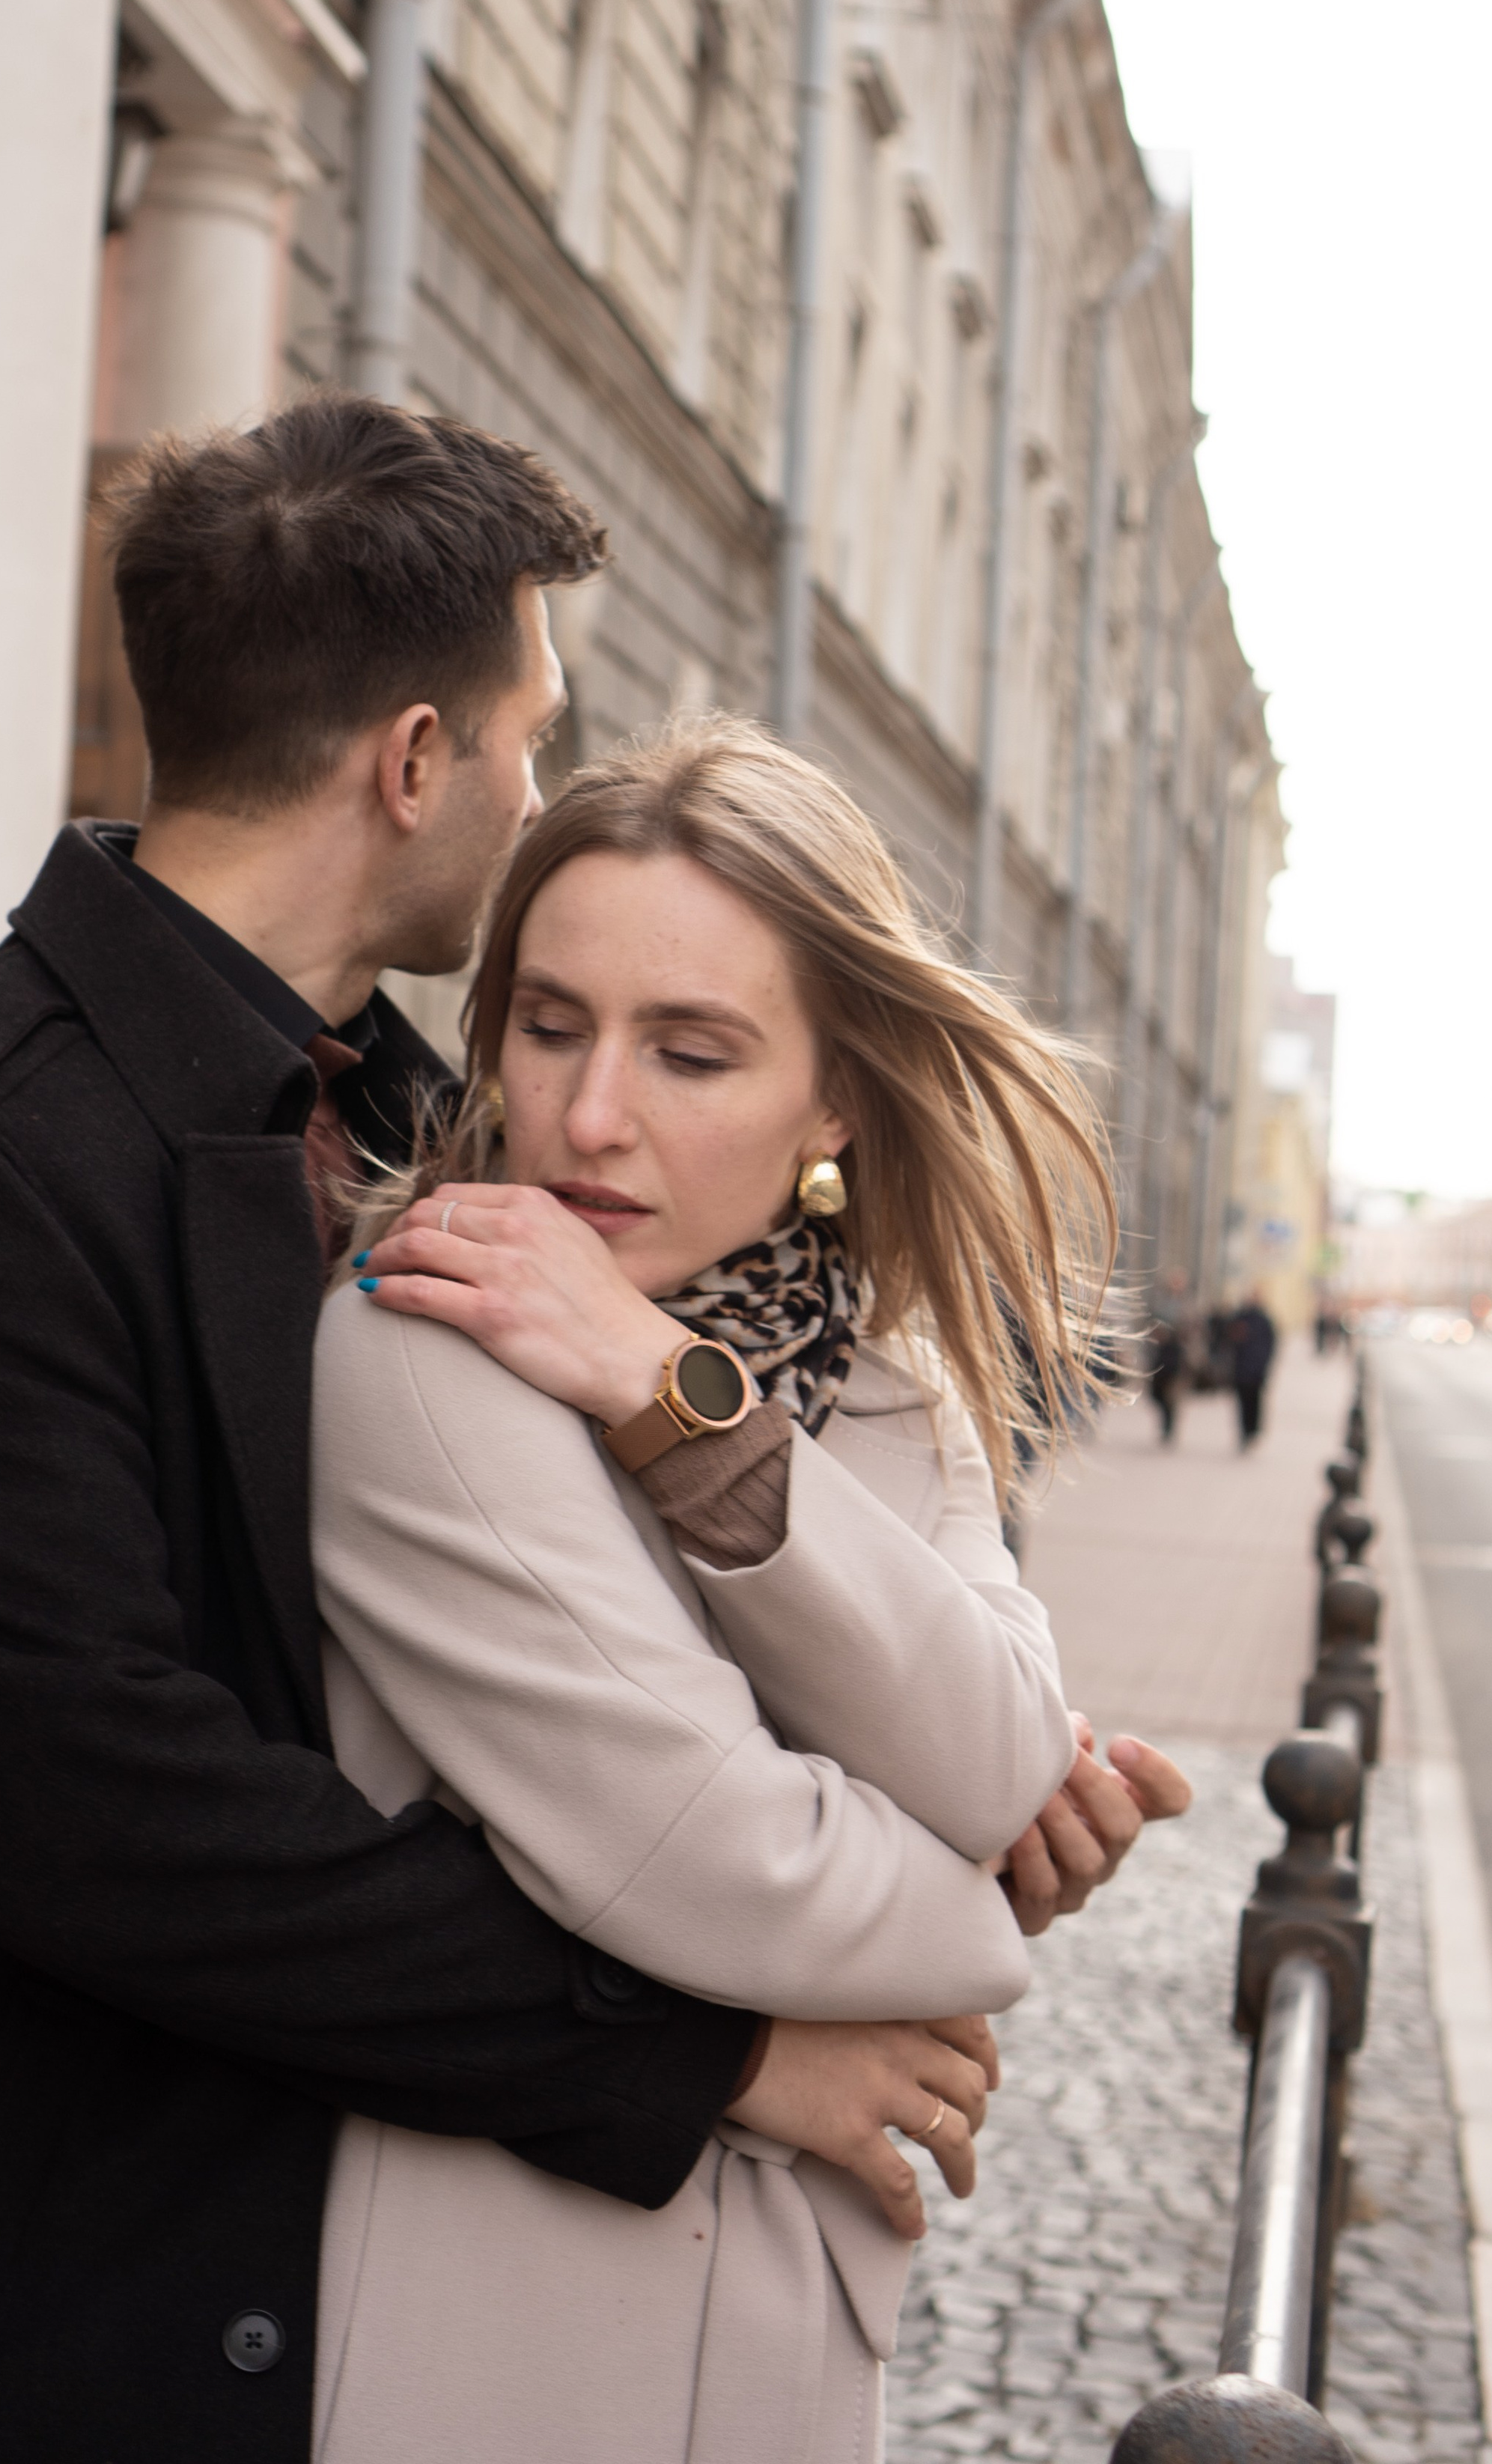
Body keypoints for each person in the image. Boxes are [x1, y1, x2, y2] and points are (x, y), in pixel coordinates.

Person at [0, 396, 1179, 2464]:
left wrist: (964, 1784)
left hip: (330, 2279)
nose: (543, 788)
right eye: (533, 731)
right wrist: (718, 2050)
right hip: (31, 2314)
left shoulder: (422, 1140)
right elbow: (112, 1828)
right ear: (421, 762)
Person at [304, 720, 1192, 2463]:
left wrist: (665, 1387)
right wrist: (989, 1886)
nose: (587, 1111)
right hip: (512, 2320)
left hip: (791, 2302)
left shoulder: (881, 1377)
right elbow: (718, 1858)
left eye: (689, 1049)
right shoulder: (425, 1344)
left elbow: (1003, 1737)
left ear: (833, 1098)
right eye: (547, 1024)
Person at [1228, 1289, 1279, 1447]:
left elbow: (1271, 1344)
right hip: (1241, 1368)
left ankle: (1253, 1429)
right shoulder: (1240, 1317)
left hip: (1257, 1369)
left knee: (1255, 1401)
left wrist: (1264, 1364)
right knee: (1242, 1401)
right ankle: (1244, 1430)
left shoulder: (1264, 1320)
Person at [1147, 1271, 1189, 1443]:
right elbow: (1150, 1324)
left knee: (1172, 1395)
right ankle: (1165, 1421)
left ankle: (1169, 1427)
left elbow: (1194, 1330)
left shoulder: (1187, 1306)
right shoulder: (1161, 1304)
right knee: (1157, 1393)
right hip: (1160, 1355)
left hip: (1178, 1358)